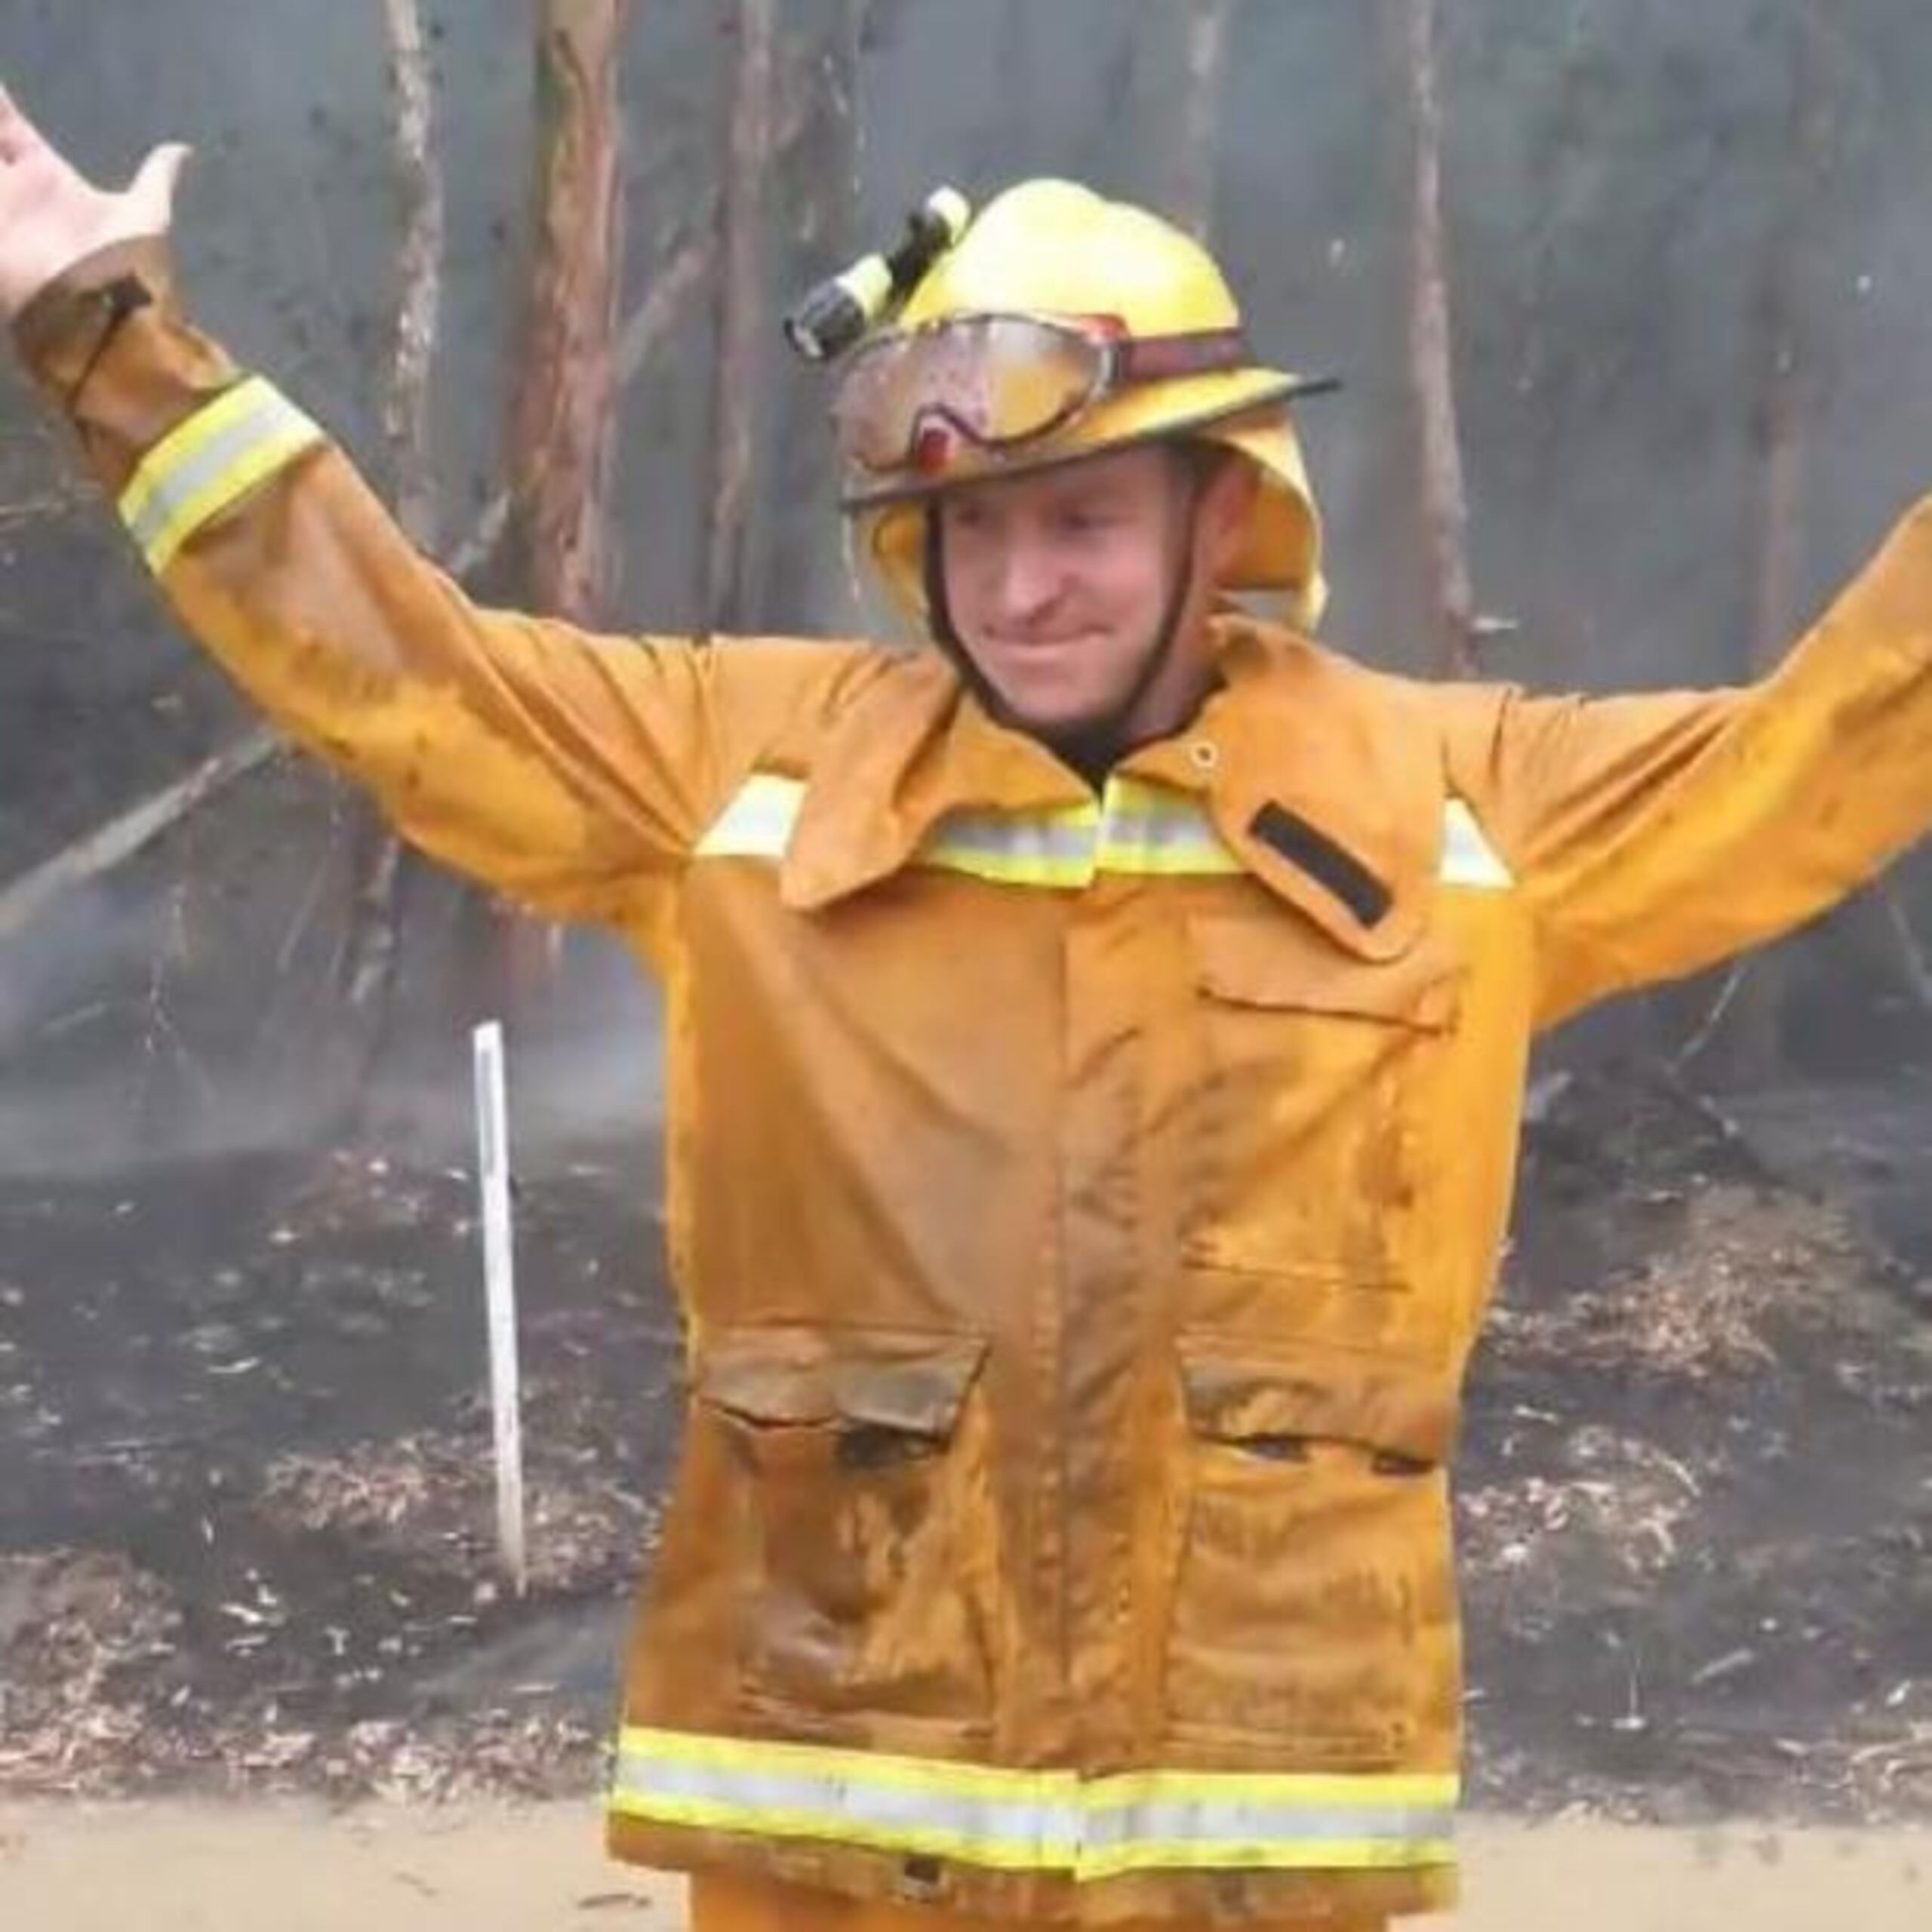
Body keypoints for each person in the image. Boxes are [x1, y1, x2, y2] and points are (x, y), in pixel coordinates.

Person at [6, 82, 1932, 1932]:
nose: (1017, 587)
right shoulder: (746, 780)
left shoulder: (1451, 812)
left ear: (1222, 509)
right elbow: (398, 670)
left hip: (1243, 1843)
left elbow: (1822, 751)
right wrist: (111, 343)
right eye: (971, 535)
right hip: (828, 1831)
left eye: (1077, 519)